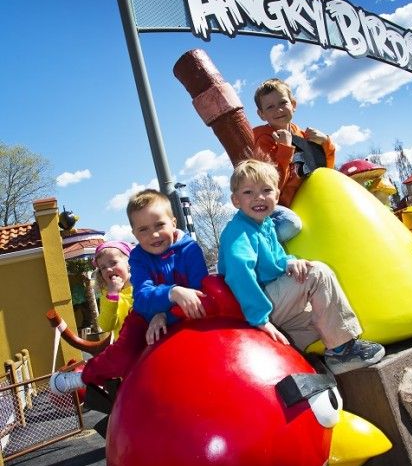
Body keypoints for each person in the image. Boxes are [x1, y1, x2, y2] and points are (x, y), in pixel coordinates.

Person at [218, 159, 385, 375]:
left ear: (276, 196)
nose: (259, 197)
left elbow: (277, 257)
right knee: (317, 273)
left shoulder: (264, 225)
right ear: (235, 200)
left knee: (325, 316)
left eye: (266, 190)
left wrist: (289, 262)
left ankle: (303, 359)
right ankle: (341, 352)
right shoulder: (239, 231)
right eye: (248, 192)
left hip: (271, 301)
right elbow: (239, 273)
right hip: (255, 306)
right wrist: (260, 318)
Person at [50, 189, 209, 393]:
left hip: (184, 314)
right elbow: (142, 298)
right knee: (123, 354)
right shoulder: (139, 258)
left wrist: (164, 314)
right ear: (134, 233)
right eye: (143, 229)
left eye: (160, 225)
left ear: (174, 222)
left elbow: (198, 294)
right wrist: (173, 293)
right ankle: (85, 375)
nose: (153, 234)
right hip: (143, 317)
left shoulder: (190, 250)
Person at [253, 78, 336, 210]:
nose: (278, 110)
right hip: (286, 210)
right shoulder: (264, 140)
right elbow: (271, 186)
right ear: (261, 114)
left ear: (293, 105)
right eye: (270, 107)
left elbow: (326, 171)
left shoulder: (303, 136)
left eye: (283, 103)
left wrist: (326, 143)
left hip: (313, 200)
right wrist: (284, 149)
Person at [93, 240, 133, 339]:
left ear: (130, 263)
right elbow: (106, 326)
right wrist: (113, 295)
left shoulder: (144, 286)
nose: (108, 269)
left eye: (113, 263)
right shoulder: (107, 295)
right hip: (126, 348)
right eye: (103, 268)